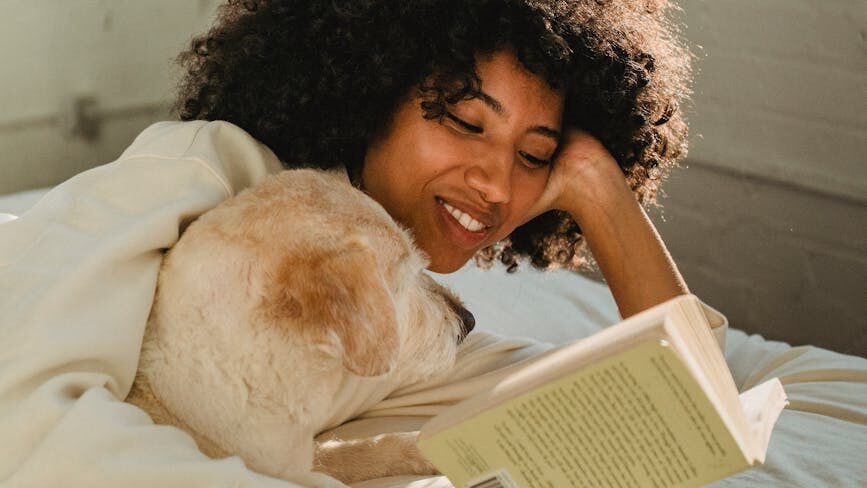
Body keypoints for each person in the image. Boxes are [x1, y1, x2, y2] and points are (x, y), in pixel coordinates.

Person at [0, 1, 727, 487]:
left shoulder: (411, 328)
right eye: (466, 123)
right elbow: (24, 419)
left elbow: (683, 407)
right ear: (371, 90)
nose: (496, 184)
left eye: (533, 156)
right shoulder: (204, 168)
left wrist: (601, 190)